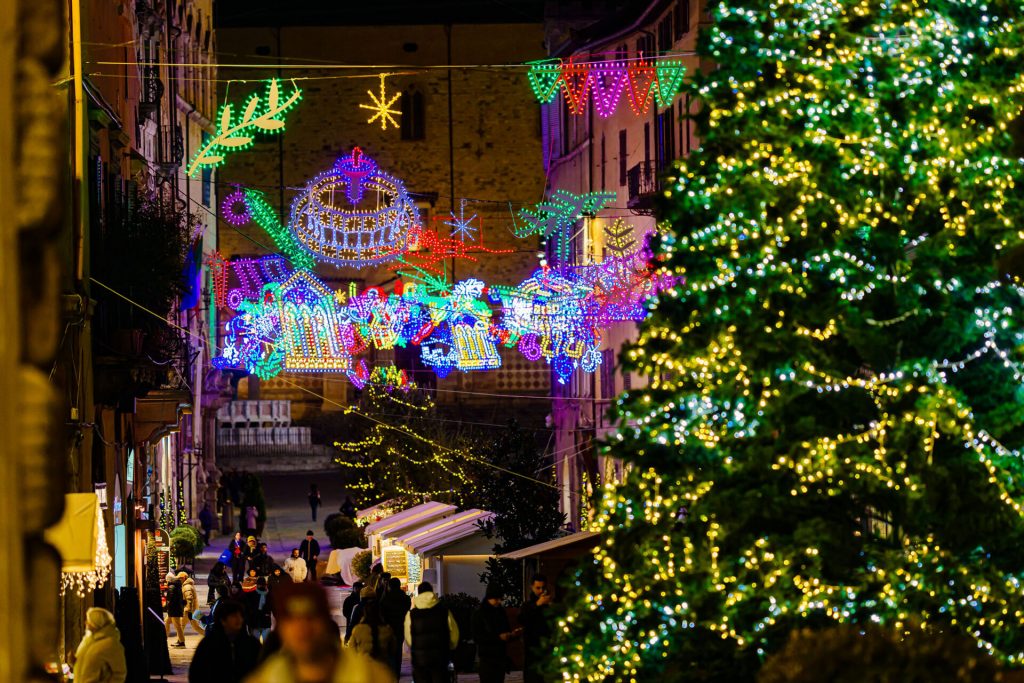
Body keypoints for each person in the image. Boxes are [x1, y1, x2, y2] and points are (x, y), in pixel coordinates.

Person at [245, 582, 395, 683]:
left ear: (326, 622)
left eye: (311, 617)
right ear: (281, 628)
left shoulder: (373, 677)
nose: (302, 628)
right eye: (292, 620)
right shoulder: (262, 679)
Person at [188, 600, 261, 683]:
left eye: (241, 616)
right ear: (223, 620)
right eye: (234, 616)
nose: (239, 619)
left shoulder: (251, 644)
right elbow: (196, 673)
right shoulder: (209, 644)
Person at [403, 581, 459, 683]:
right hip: (441, 657)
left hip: (420, 660)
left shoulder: (411, 615)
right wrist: (450, 646)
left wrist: (417, 647)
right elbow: (454, 633)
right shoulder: (444, 612)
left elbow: (408, 638)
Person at [473, 584, 519, 683]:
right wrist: (498, 637)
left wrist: (511, 635)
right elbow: (477, 637)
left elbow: (506, 628)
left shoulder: (500, 612)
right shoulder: (480, 613)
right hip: (487, 658)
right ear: (489, 597)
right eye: (496, 599)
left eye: (500, 599)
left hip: (500, 658)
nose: (499, 601)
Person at [73, 607, 127, 683]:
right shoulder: (87, 641)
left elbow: (120, 673)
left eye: (89, 621)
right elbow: (88, 666)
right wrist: (74, 662)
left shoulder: (111, 644)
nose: (86, 623)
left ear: (97, 622)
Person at [518, 574, 554, 683]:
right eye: (538, 588)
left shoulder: (549, 605)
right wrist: (537, 604)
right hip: (532, 650)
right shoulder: (527, 605)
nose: (541, 591)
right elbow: (522, 619)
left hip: (547, 649)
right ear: (532, 587)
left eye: (543, 587)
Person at [347, 599, 398, 670]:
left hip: (364, 667)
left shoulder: (358, 629)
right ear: (379, 613)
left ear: (365, 613)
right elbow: (393, 649)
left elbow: (351, 648)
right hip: (382, 668)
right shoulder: (387, 629)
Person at [378, 578, 410, 678]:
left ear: (389, 586)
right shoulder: (405, 598)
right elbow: (407, 609)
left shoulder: (385, 598)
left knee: (389, 651)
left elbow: (381, 613)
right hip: (400, 627)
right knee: (398, 650)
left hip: (389, 628)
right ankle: (397, 671)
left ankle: (391, 672)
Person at [246, 577, 272, 643]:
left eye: (263, 584)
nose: (261, 586)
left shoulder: (269, 595)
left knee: (266, 642)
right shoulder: (251, 595)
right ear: (257, 585)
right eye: (260, 584)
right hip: (255, 622)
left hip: (266, 622)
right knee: (255, 643)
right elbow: (248, 609)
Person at [179, 571, 206, 638]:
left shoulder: (187, 587)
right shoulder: (187, 585)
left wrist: (189, 610)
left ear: (184, 578)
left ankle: (180, 641)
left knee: (181, 625)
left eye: (180, 578)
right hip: (193, 610)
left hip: (189, 611)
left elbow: (189, 599)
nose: (179, 580)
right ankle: (208, 636)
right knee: (195, 627)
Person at [165, 572, 186, 648]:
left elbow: (170, 600)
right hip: (175, 609)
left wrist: (166, 607)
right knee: (166, 622)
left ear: (169, 580)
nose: (166, 581)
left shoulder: (172, 587)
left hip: (174, 610)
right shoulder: (176, 585)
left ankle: (182, 642)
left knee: (178, 625)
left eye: (166, 580)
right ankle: (165, 638)